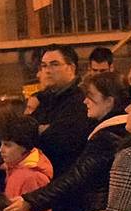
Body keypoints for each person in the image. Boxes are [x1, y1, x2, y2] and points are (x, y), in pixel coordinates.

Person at [5, 71, 129, 211]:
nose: (85, 101)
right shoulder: (117, 130)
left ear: (109, 101)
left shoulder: (108, 136)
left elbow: (77, 176)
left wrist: (31, 201)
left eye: (91, 96)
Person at [29, 45, 90, 178]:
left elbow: (58, 141)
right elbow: (24, 132)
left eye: (54, 64)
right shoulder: (45, 99)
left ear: (71, 68)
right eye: (44, 66)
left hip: (67, 178)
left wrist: (41, 131)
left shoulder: (80, 100)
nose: (47, 70)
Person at [0, 116, 53, 211]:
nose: (1, 150)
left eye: (8, 145)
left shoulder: (32, 176)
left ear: (24, 147)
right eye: (1, 144)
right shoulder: (15, 169)